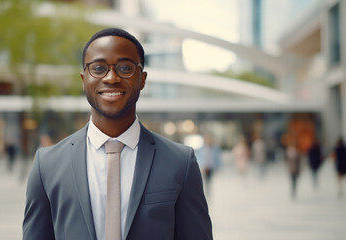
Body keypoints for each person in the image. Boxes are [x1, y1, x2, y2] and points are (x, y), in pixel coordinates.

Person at [23, 28, 212, 240]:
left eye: (125, 68)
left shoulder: (180, 163)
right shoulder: (46, 165)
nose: (111, 77)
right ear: (83, 79)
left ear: (142, 79)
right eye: (99, 68)